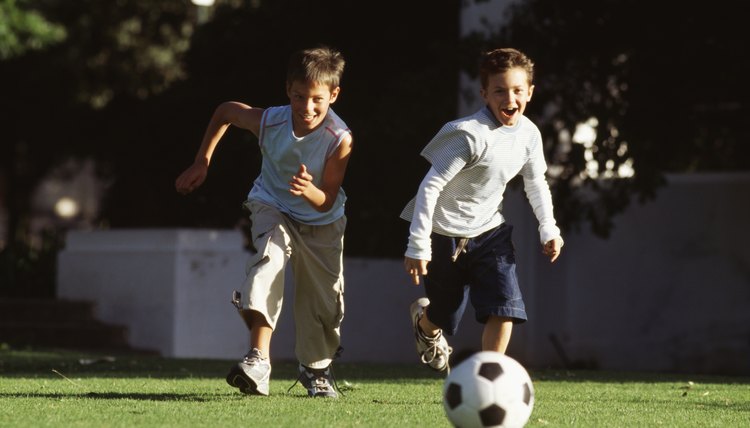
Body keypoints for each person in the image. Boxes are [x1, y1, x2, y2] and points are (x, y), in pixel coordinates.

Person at [175, 46, 352, 398]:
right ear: (288, 89)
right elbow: (226, 112)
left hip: (322, 220)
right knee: (266, 264)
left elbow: (328, 198)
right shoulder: (271, 120)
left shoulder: (339, 138)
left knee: (325, 303)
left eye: (317, 99)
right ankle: (258, 361)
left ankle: (316, 369)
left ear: (333, 95)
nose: (307, 108)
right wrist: (202, 161)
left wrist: (310, 191)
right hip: (272, 205)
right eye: (299, 96)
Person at [400, 47, 563, 373]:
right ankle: (425, 324)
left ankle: (491, 375)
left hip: (490, 231)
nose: (510, 98)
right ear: (484, 93)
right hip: (445, 232)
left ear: (530, 92)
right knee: (445, 314)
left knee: (505, 305)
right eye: (500, 90)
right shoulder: (470, 135)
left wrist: (549, 228)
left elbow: (536, 182)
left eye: (518, 90)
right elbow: (430, 186)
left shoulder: (530, 135)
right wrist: (418, 244)